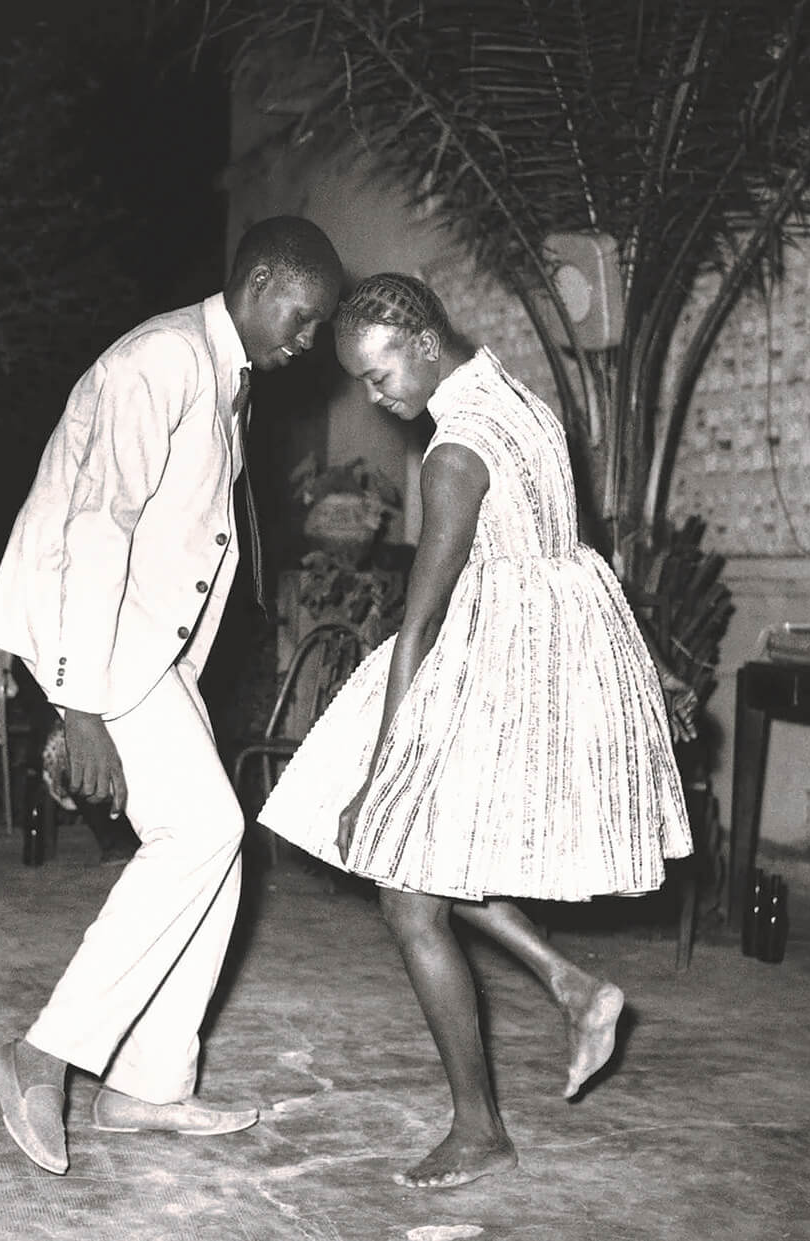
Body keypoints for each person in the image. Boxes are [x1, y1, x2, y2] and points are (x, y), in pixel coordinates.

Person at [258, 273, 694, 1191]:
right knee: (435, 865)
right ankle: (571, 984)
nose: (377, 399)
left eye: (379, 378)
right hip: (550, 648)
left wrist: (378, 778)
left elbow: (417, 623)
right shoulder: (518, 394)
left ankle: (479, 1126)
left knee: (407, 896)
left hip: (493, 664)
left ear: (423, 344)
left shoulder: (454, 451)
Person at [0, 216, 343, 1175]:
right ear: (261, 282)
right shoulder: (162, 360)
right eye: (302, 318)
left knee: (217, 845)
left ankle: (148, 1085)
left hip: (148, 653)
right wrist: (78, 704)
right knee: (207, 834)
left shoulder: (218, 372)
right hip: (102, 648)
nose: (306, 342)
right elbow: (96, 527)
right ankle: (40, 1054)